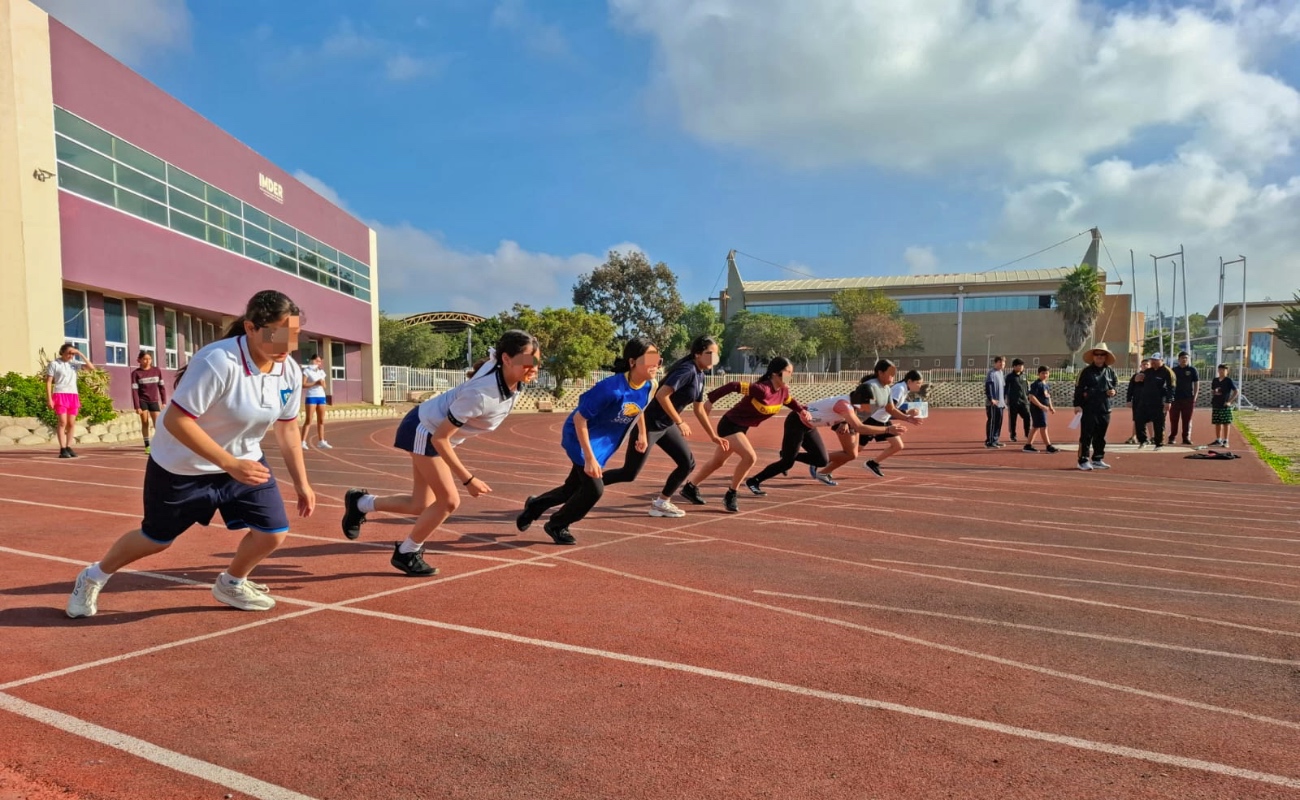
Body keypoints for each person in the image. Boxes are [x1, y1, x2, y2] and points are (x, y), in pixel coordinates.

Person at [65, 290, 314, 618]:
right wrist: (228, 463)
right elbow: (177, 420)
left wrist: (302, 483)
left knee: (273, 532)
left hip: (243, 461)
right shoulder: (218, 361)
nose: (285, 346)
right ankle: (93, 576)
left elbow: (287, 429)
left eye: (292, 336)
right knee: (156, 539)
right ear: (251, 328)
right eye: (276, 335)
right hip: (182, 465)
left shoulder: (290, 372)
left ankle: (231, 583)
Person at [341, 330, 540, 575]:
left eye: (536, 361)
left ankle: (360, 503)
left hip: (429, 428)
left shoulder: (506, 376)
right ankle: (407, 551)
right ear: (507, 359)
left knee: (420, 504)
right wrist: (468, 479)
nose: (533, 367)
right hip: (424, 430)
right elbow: (440, 439)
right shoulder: (481, 394)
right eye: (528, 361)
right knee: (448, 501)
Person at [516, 338, 659, 544]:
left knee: (572, 489)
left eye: (658, 360)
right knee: (594, 489)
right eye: (650, 359)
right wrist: (589, 458)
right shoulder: (610, 389)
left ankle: (536, 505)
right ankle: (557, 524)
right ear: (633, 362)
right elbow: (579, 419)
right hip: (579, 436)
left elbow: (640, 408)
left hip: (602, 443)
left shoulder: (650, 385)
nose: (655, 365)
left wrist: (642, 433)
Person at [602, 335, 727, 518]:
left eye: (716, 354)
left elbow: (699, 408)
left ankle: (661, 503)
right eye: (709, 353)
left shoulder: (700, 374)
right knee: (629, 473)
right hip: (649, 423)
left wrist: (713, 435)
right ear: (697, 354)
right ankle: (587, 485)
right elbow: (662, 395)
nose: (714, 358)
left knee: (687, 463)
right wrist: (680, 421)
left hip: (665, 425)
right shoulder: (687, 370)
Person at [679, 356, 809, 513]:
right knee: (750, 457)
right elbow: (733, 385)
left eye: (791, 373)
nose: (790, 376)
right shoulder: (761, 389)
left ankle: (690, 488)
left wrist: (801, 410)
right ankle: (731, 494)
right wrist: (710, 401)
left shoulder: (783, 391)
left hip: (741, 428)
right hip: (729, 425)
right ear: (775, 374)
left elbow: (789, 401)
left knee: (717, 462)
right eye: (787, 372)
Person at [856, 362, 924, 477]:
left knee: (898, 446)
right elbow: (890, 409)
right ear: (909, 381)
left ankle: (872, 463)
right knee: (853, 451)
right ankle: (824, 463)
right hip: (873, 419)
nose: (919, 386)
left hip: (883, 420)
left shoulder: (903, 388)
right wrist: (907, 416)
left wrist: (908, 412)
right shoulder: (900, 388)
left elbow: (893, 406)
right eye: (918, 383)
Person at [1072, 345, 1118, 471]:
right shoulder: (1086, 372)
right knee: (1086, 435)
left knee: (1101, 436)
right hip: (1089, 408)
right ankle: (1083, 460)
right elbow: (1078, 389)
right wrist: (1077, 405)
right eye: (1097, 354)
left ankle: (1097, 458)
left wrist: (1114, 391)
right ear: (1093, 356)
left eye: (1102, 355)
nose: (1099, 357)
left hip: (1105, 409)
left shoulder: (1110, 372)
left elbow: (1115, 385)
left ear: (1105, 357)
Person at [45, 343, 95, 458]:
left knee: (71, 423)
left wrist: (80, 353)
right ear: (62, 352)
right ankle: (62, 449)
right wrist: (49, 399)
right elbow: (48, 382)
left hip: (73, 395)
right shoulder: (54, 364)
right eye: (69, 353)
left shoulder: (74, 364)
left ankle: (68, 446)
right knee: (63, 422)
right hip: (60, 394)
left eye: (73, 353)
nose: (70, 355)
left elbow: (91, 368)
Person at [1133, 352, 1175, 450]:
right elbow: (1139, 381)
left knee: (1159, 423)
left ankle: (1159, 443)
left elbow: (1171, 388)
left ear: (1161, 360)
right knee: (1139, 419)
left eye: (1155, 361)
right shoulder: (1148, 371)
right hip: (1145, 400)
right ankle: (1143, 440)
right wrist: (1137, 379)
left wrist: (1169, 401)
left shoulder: (1167, 372)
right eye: (1152, 361)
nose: (1153, 363)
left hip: (1159, 401)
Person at [130, 350, 166, 454]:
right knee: (145, 422)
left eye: (149, 359)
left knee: (157, 423)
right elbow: (135, 391)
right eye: (145, 359)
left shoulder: (157, 370)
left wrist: (163, 401)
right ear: (139, 360)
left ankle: (160, 444)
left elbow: (162, 387)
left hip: (154, 400)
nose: (147, 361)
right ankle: (147, 445)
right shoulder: (135, 373)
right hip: (142, 401)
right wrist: (137, 406)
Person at [1025, 365, 1060, 453]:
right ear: (1038, 374)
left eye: (1046, 373)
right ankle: (1048, 446)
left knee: (1035, 427)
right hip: (1037, 408)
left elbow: (1048, 396)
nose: (1045, 375)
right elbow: (1031, 396)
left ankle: (1028, 445)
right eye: (1043, 373)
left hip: (1043, 409)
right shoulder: (1036, 384)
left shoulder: (1046, 384)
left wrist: (1051, 407)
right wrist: (1041, 406)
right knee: (1043, 426)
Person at [300, 353, 332, 450]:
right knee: (309, 419)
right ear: (312, 360)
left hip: (321, 396)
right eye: (317, 361)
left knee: (321, 420)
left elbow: (325, 386)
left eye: (320, 361)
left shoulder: (321, 372)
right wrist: (315, 383)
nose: (318, 363)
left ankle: (321, 441)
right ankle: (302, 442)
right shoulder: (307, 371)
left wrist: (322, 383)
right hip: (311, 396)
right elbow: (303, 384)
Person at [1168, 351, 1199, 445]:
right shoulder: (1174, 370)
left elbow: (1196, 383)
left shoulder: (1192, 370)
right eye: (1182, 358)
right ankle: (1172, 437)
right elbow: (1170, 384)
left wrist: (1195, 396)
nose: (1184, 360)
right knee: (1174, 419)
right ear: (1179, 359)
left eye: (1186, 358)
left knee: (1187, 419)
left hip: (1188, 399)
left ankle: (1185, 438)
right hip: (1175, 399)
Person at [1209, 364, 1238, 448]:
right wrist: (1214, 392)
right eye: (1220, 369)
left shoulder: (1228, 380)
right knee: (1217, 422)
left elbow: (1236, 391)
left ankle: (1226, 440)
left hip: (1225, 405)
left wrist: (1229, 401)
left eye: (1224, 370)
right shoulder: (1215, 380)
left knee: (1226, 422)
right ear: (1218, 370)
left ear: (1227, 371)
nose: (1221, 371)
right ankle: (1218, 439)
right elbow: (1213, 390)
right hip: (1216, 403)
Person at [1124, 358, 1152, 444]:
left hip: (1150, 401)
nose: (1145, 366)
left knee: (1150, 420)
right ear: (1141, 366)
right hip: (1137, 401)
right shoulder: (1135, 376)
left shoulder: (1153, 376)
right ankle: (1133, 437)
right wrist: (1129, 400)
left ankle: (1153, 437)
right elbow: (1130, 389)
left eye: (1147, 364)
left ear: (1150, 365)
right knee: (1137, 419)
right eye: (1144, 365)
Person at [1004, 358, 1031, 443]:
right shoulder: (1009, 377)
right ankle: (1013, 435)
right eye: (1019, 365)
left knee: (1027, 416)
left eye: (1022, 366)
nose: (1021, 367)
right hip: (1013, 401)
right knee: (1013, 419)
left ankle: (1027, 433)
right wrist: (1005, 399)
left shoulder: (1024, 376)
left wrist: (1028, 397)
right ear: (1014, 366)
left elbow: (1027, 387)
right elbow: (1005, 389)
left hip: (1024, 401)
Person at [984, 356, 1006, 448]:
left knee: (999, 421)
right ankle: (990, 441)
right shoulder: (991, 373)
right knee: (992, 421)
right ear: (995, 363)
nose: (1002, 364)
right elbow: (988, 386)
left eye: (1004, 363)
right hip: (993, 403)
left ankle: (995, 439)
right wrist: (991, 398)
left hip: (1000, 403)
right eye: (1000, 362)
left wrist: (1004, 400)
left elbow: (1003, 387)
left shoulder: (1001, 373)